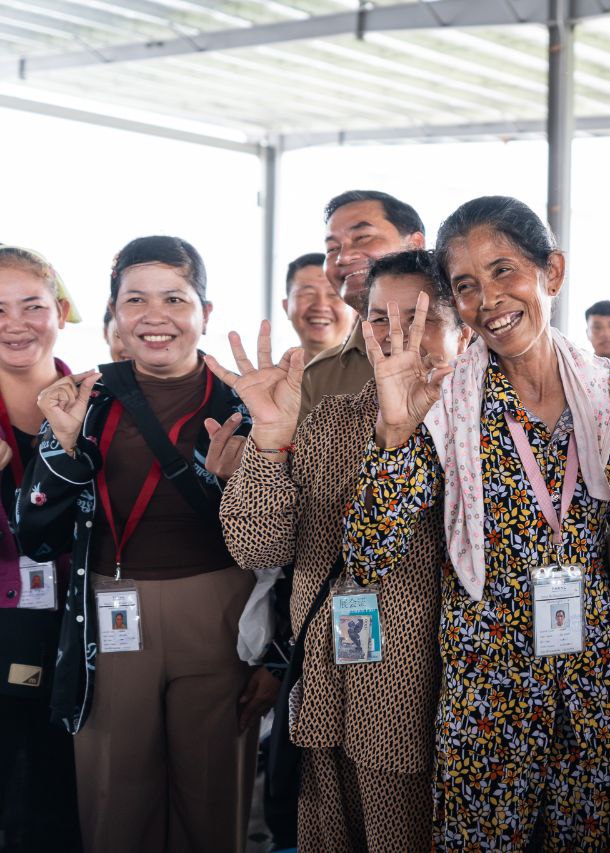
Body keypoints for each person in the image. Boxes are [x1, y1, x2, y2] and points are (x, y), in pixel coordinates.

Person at [345, 196, 610, 850]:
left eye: (504, 270)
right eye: (466, 285)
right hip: (489, 688)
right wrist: (394, 430)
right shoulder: (445, 401)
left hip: (601, 682)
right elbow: (369, 555)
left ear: (551, 272)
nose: (488, 300)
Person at [17, 236, 267, 853]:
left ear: (206, 311)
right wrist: (63, 448)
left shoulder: (247, 399)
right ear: (114, 313)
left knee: (213, 800)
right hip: (108, 609)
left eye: (175, 298)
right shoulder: (85, 399)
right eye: (136, 300)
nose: (156, 316)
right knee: (115, 800)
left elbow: (292, 539)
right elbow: (34, 534)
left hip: (222, 609)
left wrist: (275, 656)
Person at [217, 249, 466, 851]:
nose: (397, 336)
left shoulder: (485, 429)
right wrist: (269, 440)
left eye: (422, 318)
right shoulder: (331, 420)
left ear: (465, 328)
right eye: (379, 319)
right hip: (330, 686)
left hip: (435, 702)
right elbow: (257, 545)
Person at [0, 245, 81, 853]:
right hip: (5, 628)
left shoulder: (102, 403)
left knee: (65, 801)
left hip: (88, 629)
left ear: (61, 311)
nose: (15, 324)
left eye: (32, 305)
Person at [299, 190, 427, 422]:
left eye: (363, 237)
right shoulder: (319, 376)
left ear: (415, 244)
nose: (343, 257)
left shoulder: (480, 346)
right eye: (332, 249)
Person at [283, 251, 352, 364]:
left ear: (355, 310)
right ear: (286, 307)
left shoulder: (377, 373)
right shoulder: (271, 375)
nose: (321, 306)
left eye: (333, 294)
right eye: (308, 294)